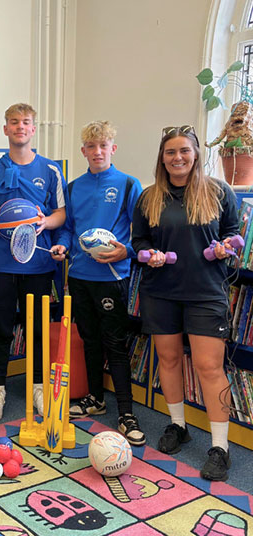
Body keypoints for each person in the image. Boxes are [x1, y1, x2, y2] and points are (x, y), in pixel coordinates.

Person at [132, 125, 239, 481]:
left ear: (195, 154)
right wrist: (149, 256)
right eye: (170, 152)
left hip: (206, 293)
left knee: (210, 368)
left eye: (184, 151)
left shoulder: (219, 191)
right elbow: (139, 242)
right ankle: (178, 426)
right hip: (160, 291)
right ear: (161, 158)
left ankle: (220, 447)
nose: (177, 158)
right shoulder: (149, 198)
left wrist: (227, 246)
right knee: (168, 358)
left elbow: (233, 233)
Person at [52, 120, 145, 446]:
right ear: (83, 151)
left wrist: (127, 250)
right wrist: (63, 244)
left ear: (112, 149)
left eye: (103, 146)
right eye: (91, 147)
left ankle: (126, 413)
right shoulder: (74, 187)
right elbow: (67, 228)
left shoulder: (128, 184)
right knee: (90, 339)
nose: (97, 152)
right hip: (78, 277)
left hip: (112, 277)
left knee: (115, 344)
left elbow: (142, 234)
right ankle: (95, 398)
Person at [0, 103, 66, 421]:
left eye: (26, 122)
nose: (20, 127)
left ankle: (39, 386)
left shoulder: (51, 170)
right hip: (1, 264)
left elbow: (61, 213)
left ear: (33, 129)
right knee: (0, 327)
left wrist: (46, 224)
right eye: (13, 122)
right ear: (5, 129)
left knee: (37, 329)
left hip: (38, 265)